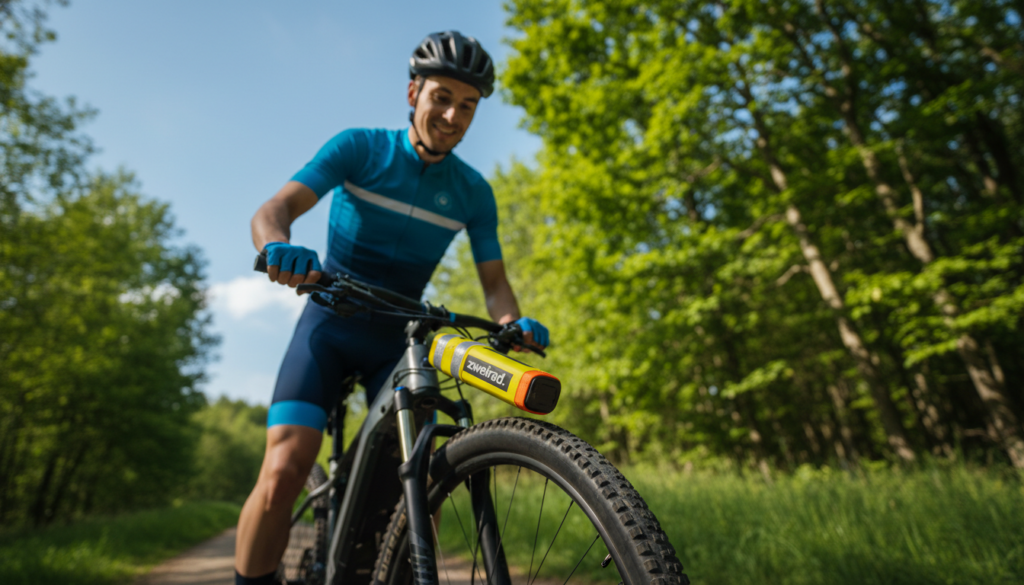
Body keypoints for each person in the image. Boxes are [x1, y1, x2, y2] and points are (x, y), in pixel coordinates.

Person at [234, 31, 550, 584]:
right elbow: (275, 208)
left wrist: (509, 324)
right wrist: (276, 244)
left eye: (468, 105)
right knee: (283, 471)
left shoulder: (474, 192)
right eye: (441, 97)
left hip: (400, 337)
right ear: (413, 93)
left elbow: (495, 283)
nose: (452, 115)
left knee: (416, 494)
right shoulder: (359, 148)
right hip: (329, 321)